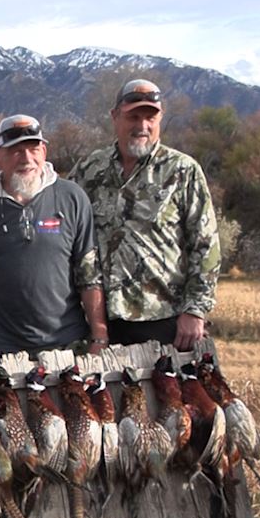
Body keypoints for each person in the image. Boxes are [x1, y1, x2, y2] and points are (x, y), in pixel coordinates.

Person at [70, 79, 219, 350]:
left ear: (160, 118)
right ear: (115, 116)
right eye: (133, 116)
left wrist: (195, 310)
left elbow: (205, 246)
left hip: (165, 320)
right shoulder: (88, 170)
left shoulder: (183, 171)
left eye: (150, 117)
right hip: (101, 323)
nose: (142, 125)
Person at [0, 114, 106, 358]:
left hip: (67, 344)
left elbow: (88, 273)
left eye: (33, 148)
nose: (26, 159)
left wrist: (99, 334)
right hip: (0, 348)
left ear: (44, 152)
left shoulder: (72, 197)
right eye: (15, 150)